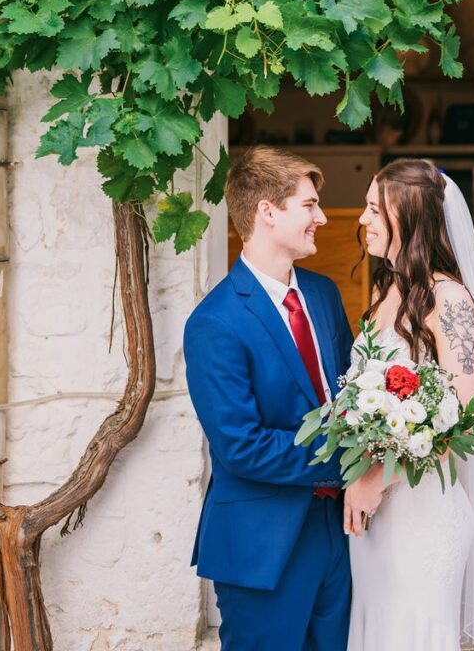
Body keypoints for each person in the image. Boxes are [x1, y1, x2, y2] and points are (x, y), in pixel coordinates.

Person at [183, 146, 355, 651]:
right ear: (267, 212)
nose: (322, 218)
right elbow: (242, 446)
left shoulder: (323, 295)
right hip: (262, 545)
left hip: (338, 534)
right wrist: (345, 459)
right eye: (309, 205)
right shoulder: (214, 322)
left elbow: (348, 395)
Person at [345, 158, 474, 651]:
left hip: (424, 518)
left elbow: (458, 423)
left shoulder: (451, 299)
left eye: (374, 209)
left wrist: (376, 480)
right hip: (375, 519)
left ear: (409, 216)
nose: (362, 219)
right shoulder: (385, 289)